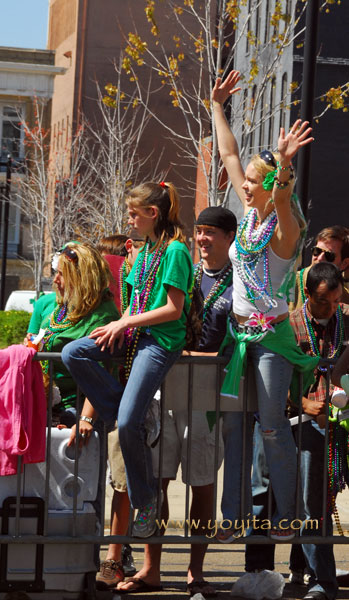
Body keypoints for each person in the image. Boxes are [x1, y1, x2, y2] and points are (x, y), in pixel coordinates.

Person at [212, 69, 317, 541]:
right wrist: (218, 106)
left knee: (273, 428)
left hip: (270, 338)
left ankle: (288, 518)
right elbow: (230, 153)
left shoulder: (284, 230)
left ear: (271, 186)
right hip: (238, 337)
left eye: (255, 183)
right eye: (247, 182)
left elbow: (282, 193)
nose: (244, 186)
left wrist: (284, 164)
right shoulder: (250, 219)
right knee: (234, 430)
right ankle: (232, 520)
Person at [61, 181, 193, 539]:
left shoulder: (176, 250)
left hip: (160, 342)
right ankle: (126, 414)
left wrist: (124, 322)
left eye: (134, 214)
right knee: (74, 352)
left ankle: (145, 496)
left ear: (153, 214)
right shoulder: (147, 249)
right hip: (135, 333)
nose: (129, 220)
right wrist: (118, 326)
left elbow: (172, 309)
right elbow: (136, 300)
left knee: (126, 424)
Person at [117, 205, 236, 596]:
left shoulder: (241, 284)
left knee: (202, 484)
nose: (202, 239)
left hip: (204, 396)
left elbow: (239, 343)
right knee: (157, 480)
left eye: (211, 232)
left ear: (229, 238)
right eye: (199, 231)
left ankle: (195, 570)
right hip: (161, 389)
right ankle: (151, 569)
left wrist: (200, 359)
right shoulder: (182, 268)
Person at [289, 262, 349, 600]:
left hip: (346, 423)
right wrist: (304, 405)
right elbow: (275, 376)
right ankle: (323, 582)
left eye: (337, 299)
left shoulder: (347, 316)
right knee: (314, 506)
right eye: (324, 302)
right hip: (310, 424)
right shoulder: (291, 324)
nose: (332, 308)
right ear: (308, 294)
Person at [41, 241, 119, 427]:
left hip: (77, 410)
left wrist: (85, 421)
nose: (55, 280)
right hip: (53, 404)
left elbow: (101, 377)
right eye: (56, 273)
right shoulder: (66, 304)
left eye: (62, 274)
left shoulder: (102, 316)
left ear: (81, 278)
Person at [289, 226, 349, 310]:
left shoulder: (346, 298)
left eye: (329, 256)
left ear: (344, 263)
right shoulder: (288, 284)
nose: (320, 258)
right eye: (317, 251)